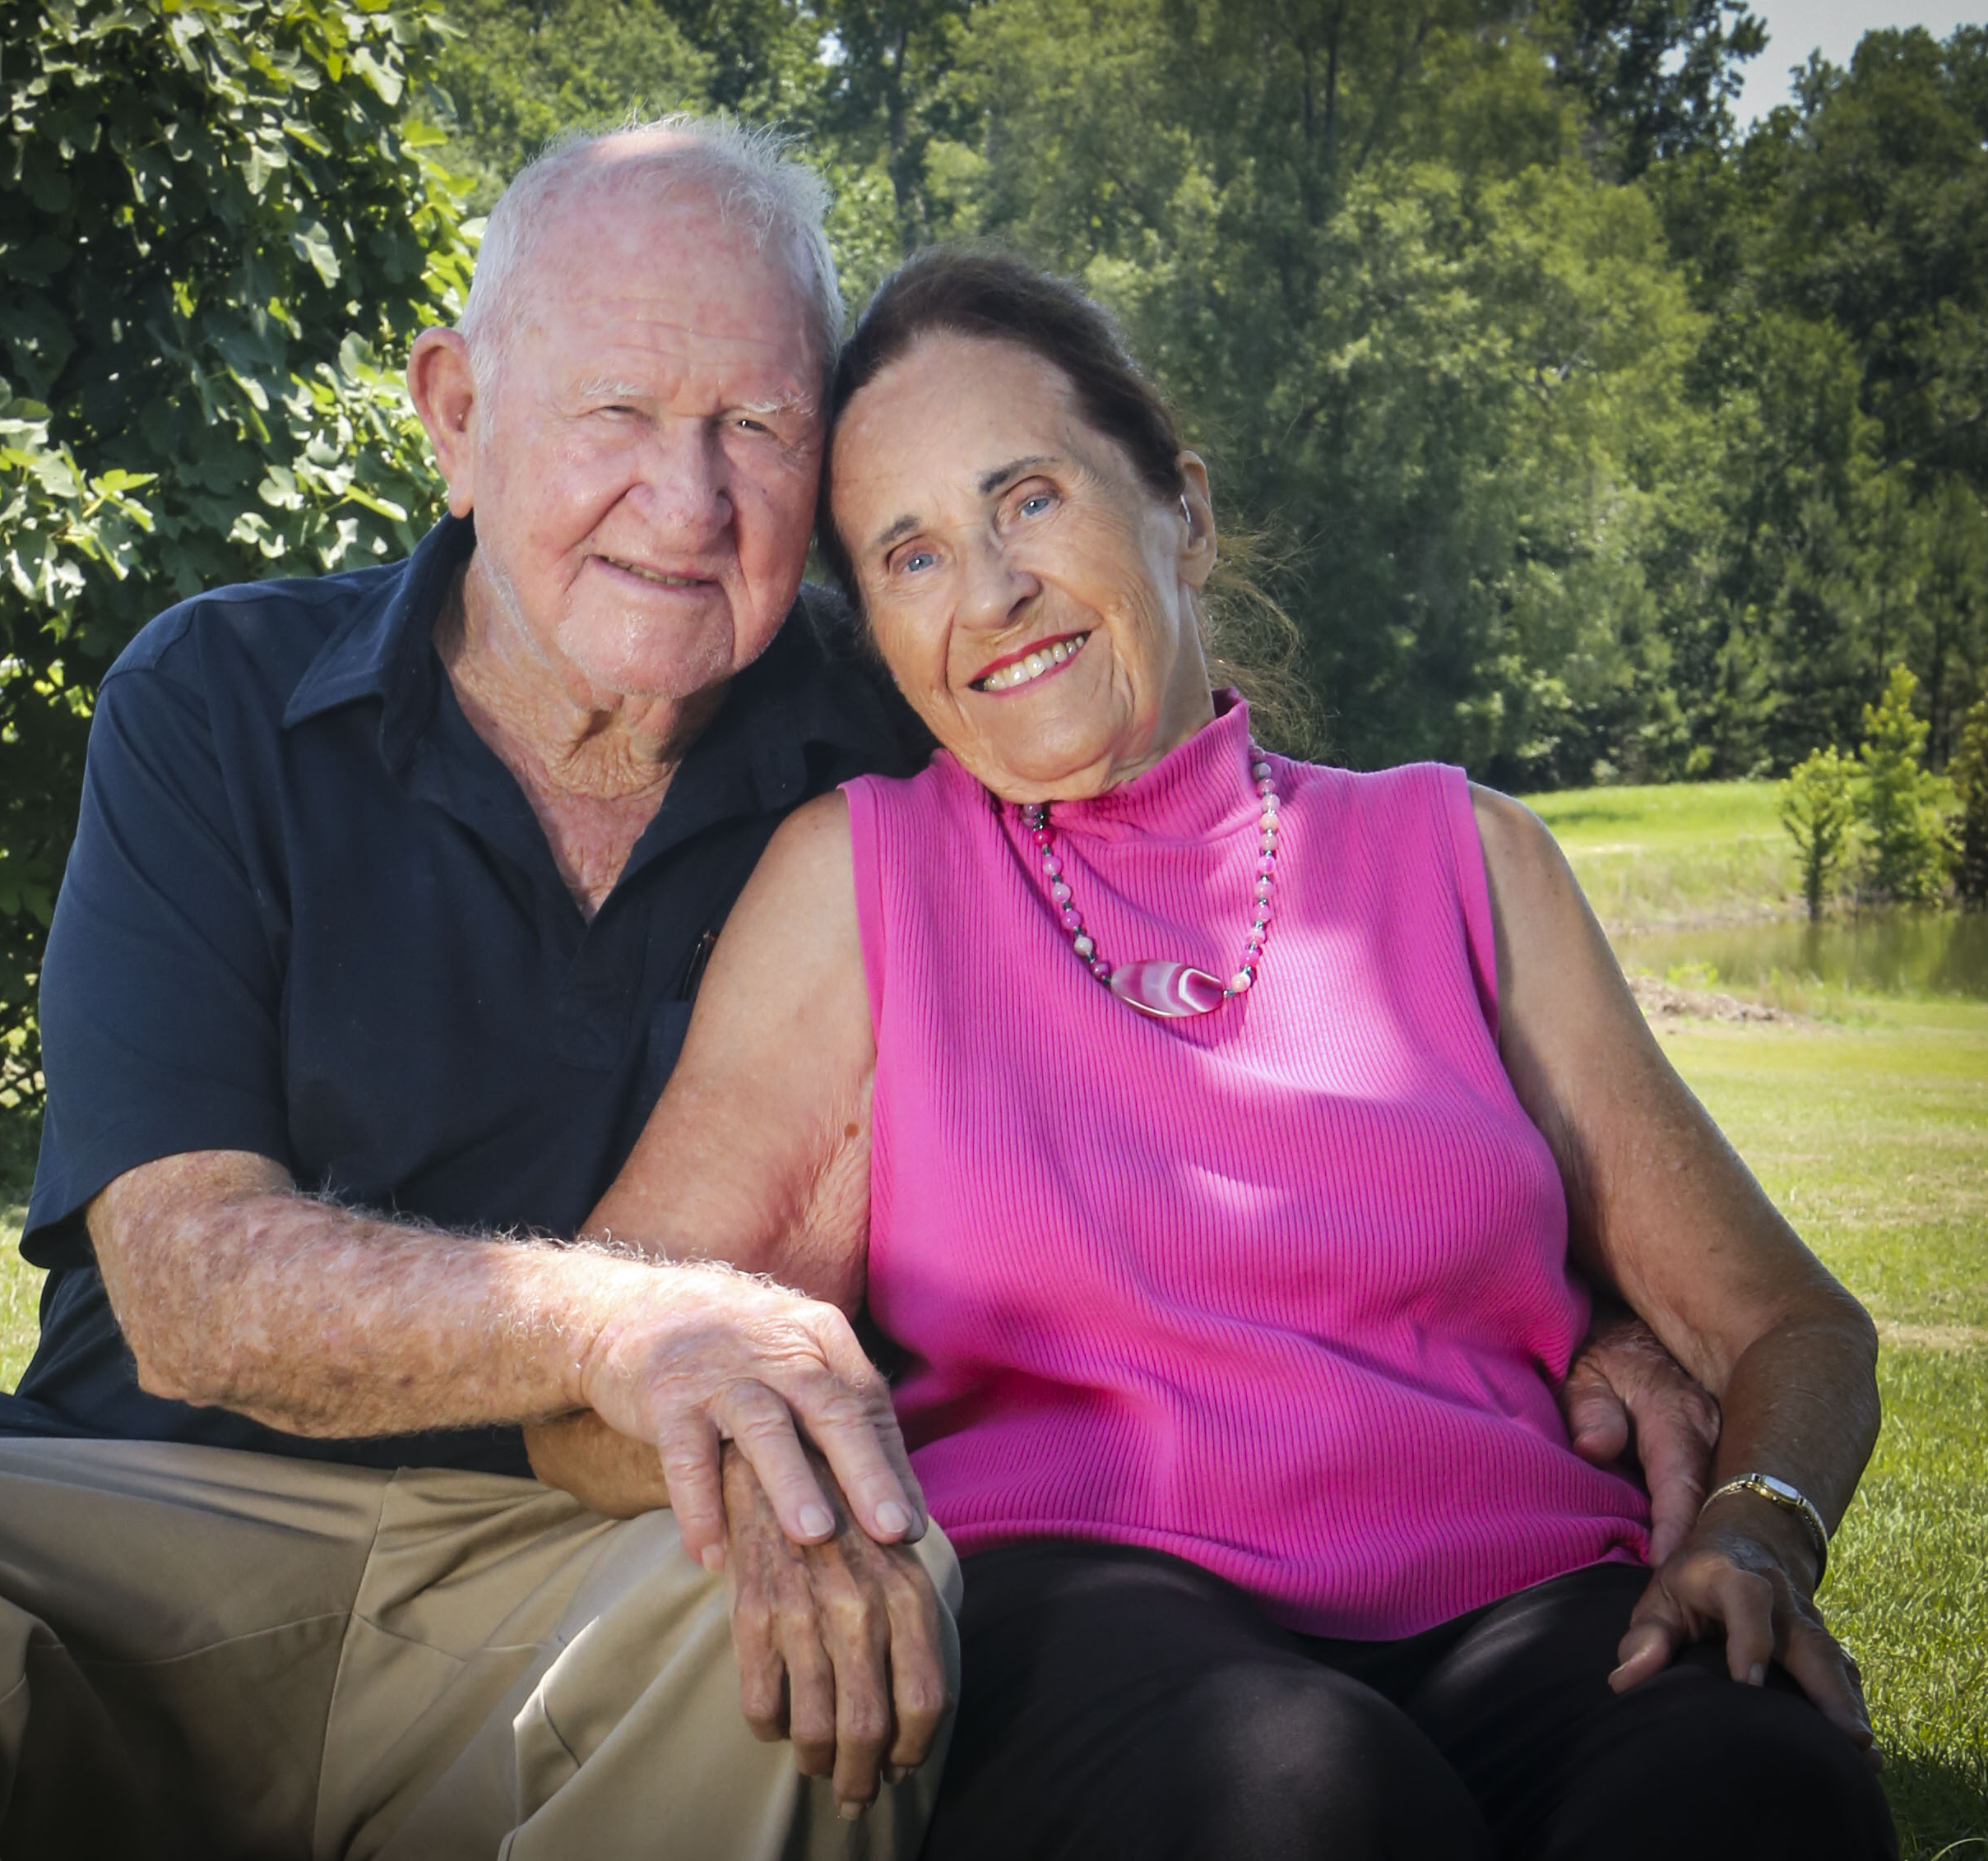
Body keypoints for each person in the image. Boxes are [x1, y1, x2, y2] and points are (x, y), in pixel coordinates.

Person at [0, 123, 1708, 1858]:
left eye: (752, 425)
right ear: (454, 415)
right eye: (615, 415)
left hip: (622, 1567)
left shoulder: (898, 748)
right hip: (148, 1507)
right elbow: (192, 1284)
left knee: (838, 1646)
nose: (691, 497)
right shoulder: (215, 700)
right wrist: (631, 1319)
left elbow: (1217, 947)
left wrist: (1570, 1276)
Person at [544, 248, 1897, 1860]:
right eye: (909, 555)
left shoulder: (1464, 857)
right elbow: (594, 1385)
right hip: (1090, 1612)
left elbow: (1791, 1325)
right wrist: (794, 1485)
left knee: (1754, 1786)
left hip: (1534, 1595)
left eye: (1027, 498)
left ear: (1180, 511)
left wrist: (1755, 1525)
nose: (988, 591)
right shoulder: (861, 880)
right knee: (1298, 1798)